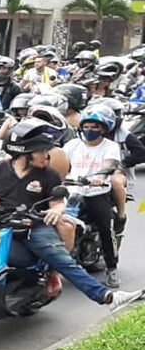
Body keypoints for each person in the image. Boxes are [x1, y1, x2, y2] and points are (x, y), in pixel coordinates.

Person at [0, 120, 141, 309]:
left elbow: (57, 202)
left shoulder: (49, 174)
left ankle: (107, 297)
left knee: (64, 262)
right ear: (23, 153)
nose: (47, 155)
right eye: (41, 151)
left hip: (34, 226)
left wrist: (55, 211)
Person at [62, 105, 125, 287]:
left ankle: (112, 269)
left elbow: (110, 163)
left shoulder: (110, 146)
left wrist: (100, 177)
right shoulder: (72, 145)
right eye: (87, 126)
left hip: (96, 193)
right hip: (72, 192)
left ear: (104, 128)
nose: (90, 130)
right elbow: (59, 162)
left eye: (95, 127)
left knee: (106, 229)